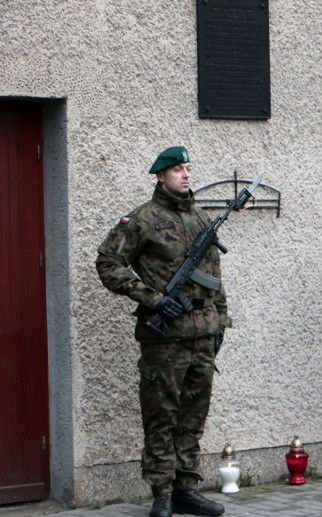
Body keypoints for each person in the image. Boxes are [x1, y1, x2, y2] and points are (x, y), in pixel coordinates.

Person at [96, 146, 231, 517]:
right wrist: (152, 299)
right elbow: (108, 263)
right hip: (165, 338)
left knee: (193, 416)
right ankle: (162, 493)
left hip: (202, 336)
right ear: (160, 176)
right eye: (177, 170)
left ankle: (186, 488)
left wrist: (220, 322)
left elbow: (215, 281)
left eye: (188, 168)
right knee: (161, 417)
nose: (186, 175)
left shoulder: (202, 219)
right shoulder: (142, 220)